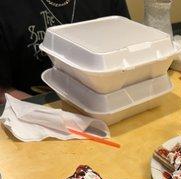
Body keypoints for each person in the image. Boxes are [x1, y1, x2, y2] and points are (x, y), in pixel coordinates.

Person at [0, 0, 130, 103]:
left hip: (110, 101)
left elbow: (128, 54)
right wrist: (51, 115)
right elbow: (3, 91)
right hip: (39, 108)